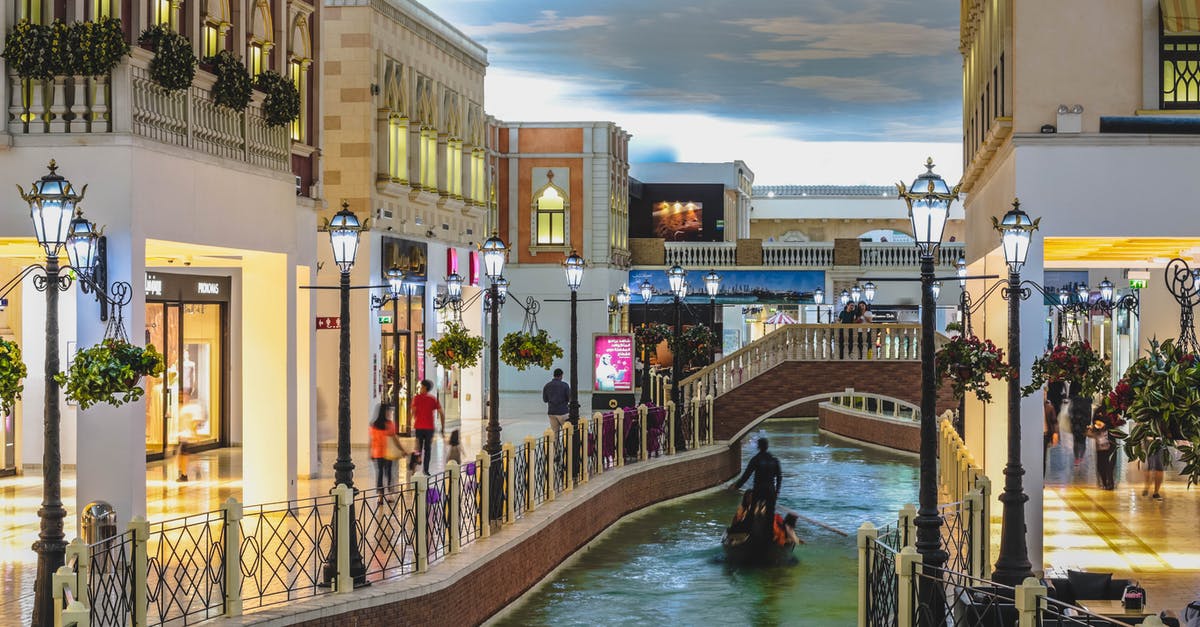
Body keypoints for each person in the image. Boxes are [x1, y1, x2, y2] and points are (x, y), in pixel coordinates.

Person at [732, 437, 783, 518]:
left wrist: (737, 486)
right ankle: (768, 529)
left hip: (759, 489)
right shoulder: (774, 460)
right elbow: (779, 477)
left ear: (758, 447)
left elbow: (746, 475)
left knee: (752, 512)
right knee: (770, 514)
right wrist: (777, 492)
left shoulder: (756, 459)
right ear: (767, 446)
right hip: (770, 490)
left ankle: (750, 526)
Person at [410, 379, 444, 475]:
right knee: (428, 449)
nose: (420, 388)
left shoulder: (417, 398)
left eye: (421, 387)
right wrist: (443, 427)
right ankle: (426, 470)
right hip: (429, 428)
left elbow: (413, 411)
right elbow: (441, 413)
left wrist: (410, 421)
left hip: (419, 427)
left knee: (418, 448)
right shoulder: (432, 399)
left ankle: (416, 462)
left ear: (425, 388)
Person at [369, 404, 406, 490]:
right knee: (388, 472)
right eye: (389, 411)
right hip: (387, 452)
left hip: (377, 453)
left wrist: (371, 452)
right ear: (385, 412)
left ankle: (380, 496)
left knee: (380, 473)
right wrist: (402, 450)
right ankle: (389, 493)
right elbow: (395, 440)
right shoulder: (389, 424)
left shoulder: (374, 424)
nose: (390, 412)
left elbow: (372, 440)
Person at [1088, 416, 1117, 490]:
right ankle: (1104, 483)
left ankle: (1110, 484)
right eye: (1096, 423)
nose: (1097, 424)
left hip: (1109, 451)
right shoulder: (1095, 430)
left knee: (1109, 467)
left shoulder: (1109, 430)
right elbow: (1088, 434)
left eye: (1099, 423)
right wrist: (1091, 429)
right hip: (1101, 452)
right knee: (1101, 467)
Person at [543, 368, 570, 434]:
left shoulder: (547, 386)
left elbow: (545, 400)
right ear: (561, 375)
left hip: (551, 412)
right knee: (567, 433)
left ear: (554, 375)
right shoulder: (565, 385)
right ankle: (566, 444)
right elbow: (569, 398)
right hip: (563, 412)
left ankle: (555, 444)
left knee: (554, 434)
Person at [1044, 392, 1060, 475]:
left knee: (1043, 458)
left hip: (1045, 435)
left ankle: (1041, 479)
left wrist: (1055, 433)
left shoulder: (1049, 408)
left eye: (1045, 393)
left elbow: (1054, 422)